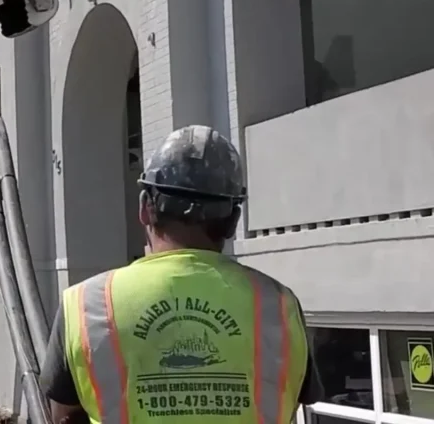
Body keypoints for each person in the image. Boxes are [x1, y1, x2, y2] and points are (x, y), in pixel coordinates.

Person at [39, 125, 324, 424]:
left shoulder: (86, 304)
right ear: (233, 220)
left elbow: (62, 417)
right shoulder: (279, 306)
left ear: (144, 209)